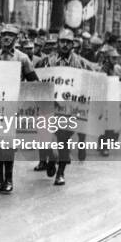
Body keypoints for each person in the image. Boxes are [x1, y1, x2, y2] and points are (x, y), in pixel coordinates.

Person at [36, 29, 92, 185]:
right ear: (58, 43)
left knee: (64, 140)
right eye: (62, 41)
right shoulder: (47, 61)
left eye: (68, 42)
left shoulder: (80, 63)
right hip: (50, 108)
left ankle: (60, 173)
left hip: (69, 110)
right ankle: (51, 158)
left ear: (73, 44)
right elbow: (37, 79)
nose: (65, 45)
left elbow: (90, 81)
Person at [0, 24, 39, 193]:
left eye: (10, 35)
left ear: (16, 38)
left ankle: (8, 179)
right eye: (3, 35)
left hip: (14, 104)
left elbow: (34, 81)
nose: (6, 38)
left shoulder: (22, 58)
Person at [97, 45, 121, 157]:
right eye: (113, 58)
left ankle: (103, 144)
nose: (115, 60)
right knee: (106, 126)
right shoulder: (103, 70)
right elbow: (99, 84)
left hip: (115, 100)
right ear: (108, 58)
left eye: (116, 58)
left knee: (114, 127)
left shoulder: (118, 69)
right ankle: (104, 147)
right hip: (105, 101)